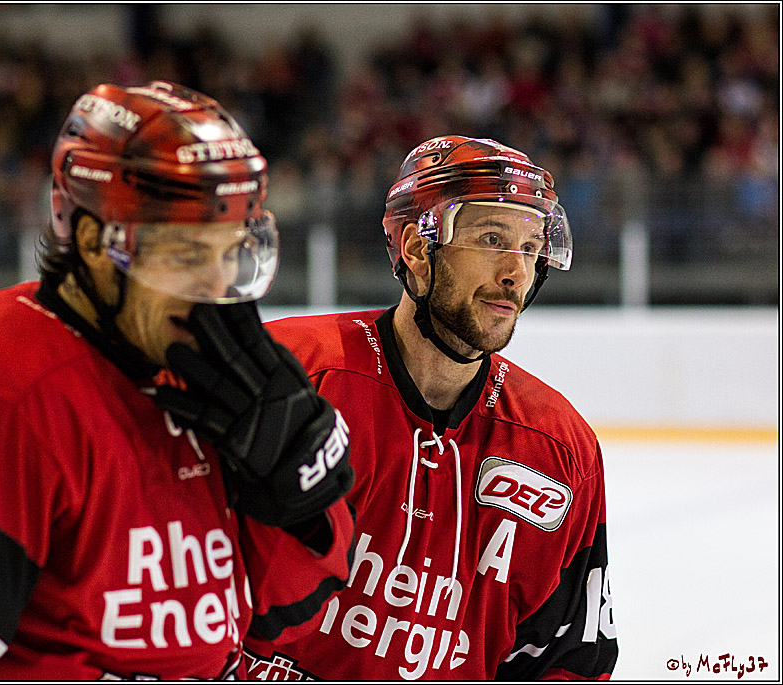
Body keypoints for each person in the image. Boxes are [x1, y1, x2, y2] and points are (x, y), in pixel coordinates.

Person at [0, 81, 356, 680]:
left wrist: (299, 498)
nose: (217, 292)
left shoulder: (201, 377)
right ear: (93, 243)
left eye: (234, 253)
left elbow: (278, 612)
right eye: (186, 255)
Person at [240, 136, 618, 680]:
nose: (517, 271)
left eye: (532, 245)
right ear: (417, 251)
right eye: (492, 238)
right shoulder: (293, 377)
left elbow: (569, 660)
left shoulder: (559, 447)